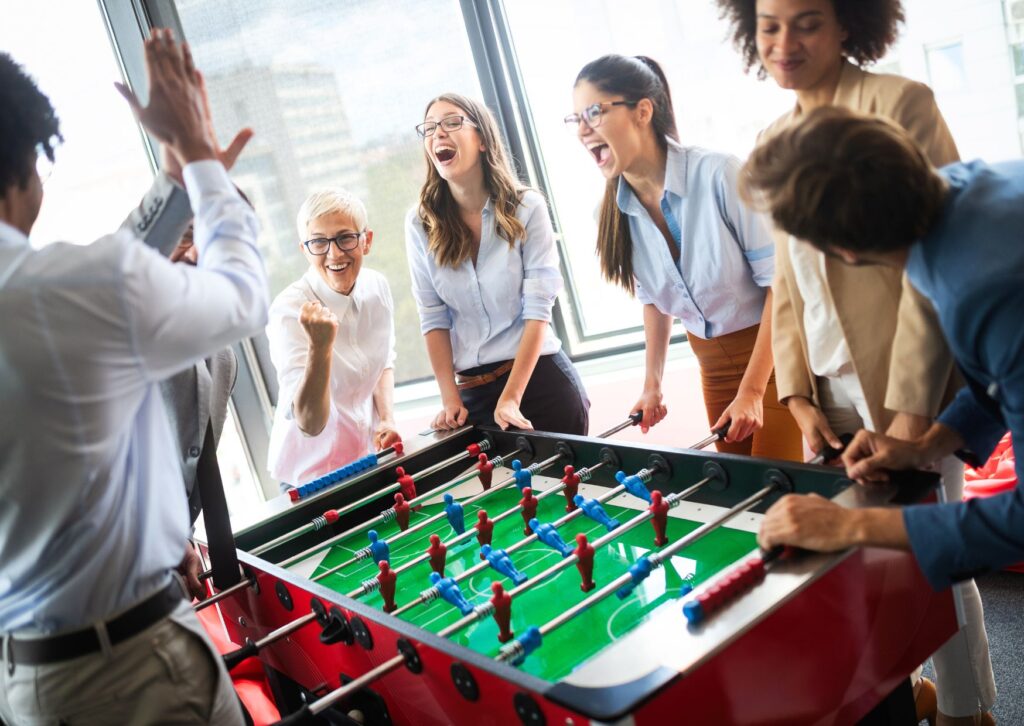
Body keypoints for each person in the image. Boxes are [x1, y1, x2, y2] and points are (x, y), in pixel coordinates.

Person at [717, 2, 996, 722]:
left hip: (909, 381)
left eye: (806, 22)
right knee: (856, 569)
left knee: (933, 558)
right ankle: (905, 698)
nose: (784, 42)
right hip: (828, 385)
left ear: (849, 24)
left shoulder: (902, 102)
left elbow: (930, 262)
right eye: (770, 25)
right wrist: (799, 400)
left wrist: (912, 418)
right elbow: (787, 286)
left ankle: (969, 711)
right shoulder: (773, 136)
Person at [0, 31, 266, 725]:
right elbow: (240, 294)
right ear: (27, 160)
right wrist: (202, 160)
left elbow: (102, 289)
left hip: (29, 685)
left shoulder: (62, 297)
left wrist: (179, 181)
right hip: (133, 673)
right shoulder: (64, 292)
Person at [568, 54, 801, 458]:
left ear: (643, 111)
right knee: (735, 496)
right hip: (711, 364)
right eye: (576, 119)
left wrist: (751, 391)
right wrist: (651, 385)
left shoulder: (720, 174)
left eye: (594, 112)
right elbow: (655, 301)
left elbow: (782, 288)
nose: (583, 129)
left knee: (773, 492)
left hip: (775, 355)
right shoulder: (609, 214)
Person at [406, 93, 589, 434]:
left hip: (539, 383)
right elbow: (432, 316)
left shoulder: (527, 207)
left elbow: (538, 311)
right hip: (471, 395)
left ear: (482, 141)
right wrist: (449, 398)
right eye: (429, 128)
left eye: (452, 122)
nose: (438, 134)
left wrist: (511, 398)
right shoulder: (419, 223)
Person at [267, 189, 399, 486]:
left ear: (367, 241)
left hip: (367, 458)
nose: (334, 253)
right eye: (319, 242)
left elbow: (383, 361)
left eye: (345, 237)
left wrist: (387, 419)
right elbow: (309, 423)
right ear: (304, 249)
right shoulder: (288, 310)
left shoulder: (377, 287)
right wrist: (320, 347)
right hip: (308, 477)